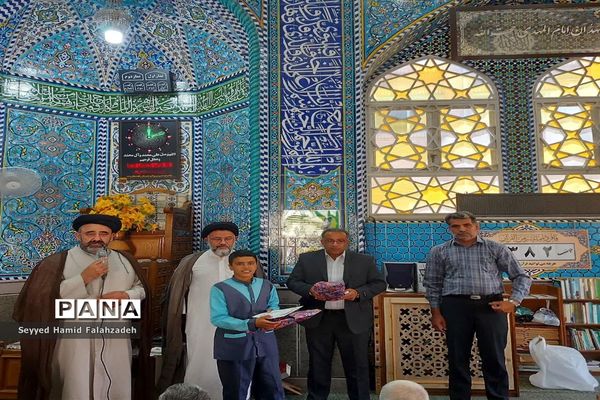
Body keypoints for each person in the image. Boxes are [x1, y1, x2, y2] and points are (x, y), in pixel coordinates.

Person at [13, 213, 152, 400]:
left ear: (113, 236)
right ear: (78, 235)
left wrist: (127, 295)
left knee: (115, 384)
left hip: (116, 336)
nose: (97, 238)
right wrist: (83, 278)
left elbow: (141, 289)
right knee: (76, 385)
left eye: (103, 233)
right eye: (90, 233)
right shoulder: (58, 262)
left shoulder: (126, 261)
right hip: (74, 338)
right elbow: (42, 298)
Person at [424, 211, 532, 400]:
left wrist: (513, 302)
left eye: (466, 225)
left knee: (494, 357)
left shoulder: (495, 248)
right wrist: (436, 313)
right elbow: (433, 284)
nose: (461, 229)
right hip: (455, 307)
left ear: (476, 226)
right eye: (456, 226)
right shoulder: (439, 251)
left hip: (491, 306)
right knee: (457, 358)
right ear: (450, 229)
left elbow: (521, 276)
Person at [160, 221, 261, 398]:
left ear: (235, 239)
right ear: (206, 239)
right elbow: (177, 293)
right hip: (200, 323)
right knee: (199, 362)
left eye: (228, 238)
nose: (223, 242)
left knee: (239, 366)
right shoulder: (192, 262)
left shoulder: (247, 261)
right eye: (216, 239)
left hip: (239, 325)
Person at [286, 228, 387, 400]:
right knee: (318, 364)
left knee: (357, 365)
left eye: (340, 241)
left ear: (347, 242)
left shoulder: (364, 260)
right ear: (322, 242)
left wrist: (357, 293)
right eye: (330, 240)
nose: (335, 244)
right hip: (320, 319)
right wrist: (311, 290)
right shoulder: (307, 259)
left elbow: (379, 284)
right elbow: (293, 281)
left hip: (353, 320)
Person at [210, 249, 284, 400]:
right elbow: (218, 318)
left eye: (250, 263)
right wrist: (251, 323)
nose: (246, 267)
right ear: (231, 266)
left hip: (266, 343)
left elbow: (274, 306)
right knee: (236, 390)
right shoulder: (219, 289)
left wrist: (273, 314)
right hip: (235, 346)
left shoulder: (267, 285)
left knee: (272, 387)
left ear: (256, 265)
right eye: (240, 264)